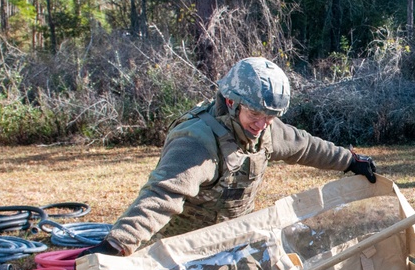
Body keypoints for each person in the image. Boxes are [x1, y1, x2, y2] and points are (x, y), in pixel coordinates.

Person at [86, 57, 377, 256]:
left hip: (238, 237)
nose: (262, 124)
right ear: (230, 102)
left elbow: (307, 146)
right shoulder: (197, 140)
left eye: (270, 117)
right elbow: (162, 196)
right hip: (189, 248)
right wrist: (119, 243)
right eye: (255, 114)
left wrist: (350, 161)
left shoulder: (266, 130)